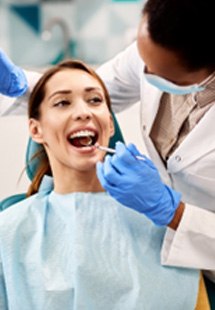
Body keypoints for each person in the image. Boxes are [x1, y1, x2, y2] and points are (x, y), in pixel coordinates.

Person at [0, 0, 215, 298]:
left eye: (95, 103)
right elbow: (88, 87)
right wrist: (22, 85)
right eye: (64, 104)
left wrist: (174, 214)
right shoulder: (10, 230)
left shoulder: (156, 230)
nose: (143, 72)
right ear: (35, 130)